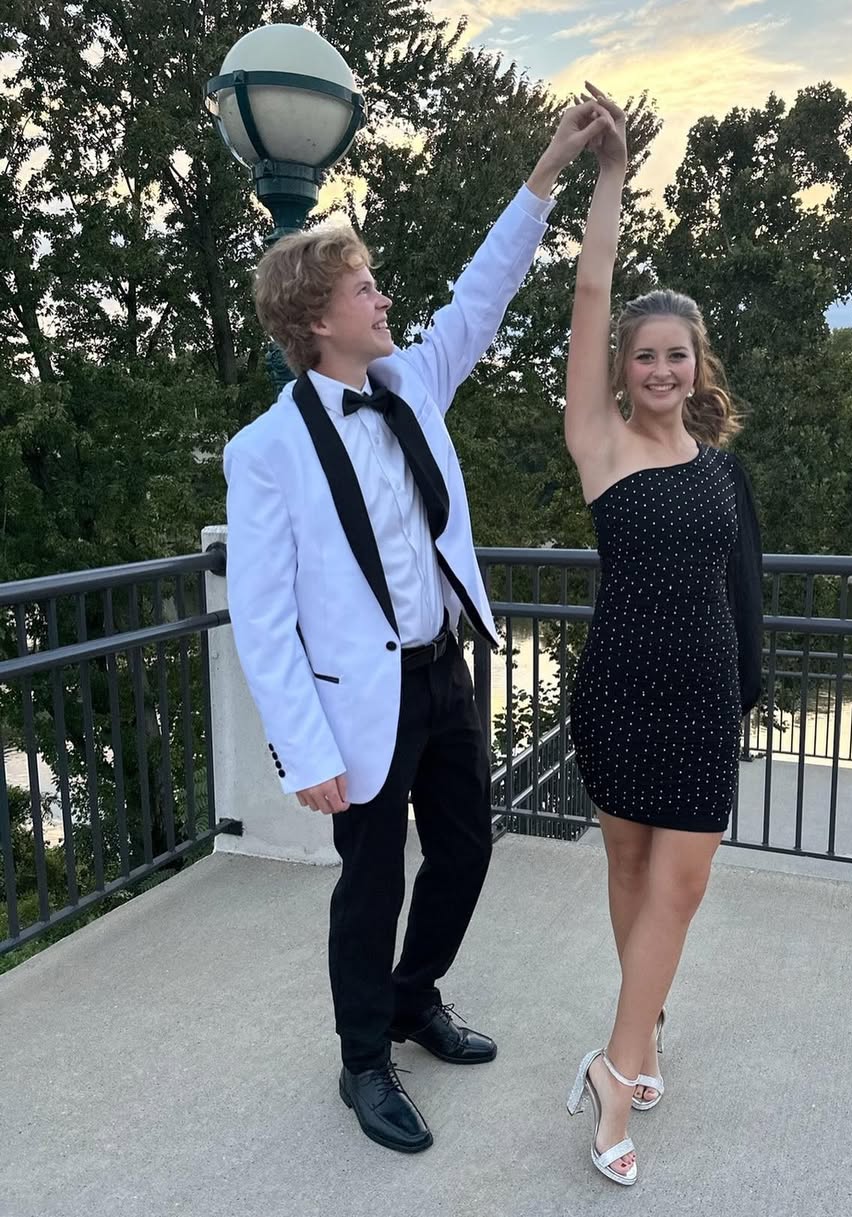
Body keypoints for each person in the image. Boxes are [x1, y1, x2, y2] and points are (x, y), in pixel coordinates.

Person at [223, 100, 611, 1156]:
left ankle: (412, 995)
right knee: (371, 882)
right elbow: (262, 617)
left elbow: (483, 293)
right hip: (361, 702)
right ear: (316, 319)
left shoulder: (411, 386)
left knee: (468, 848)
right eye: (364, 287)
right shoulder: (266, 451)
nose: (382, 296)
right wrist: (303, 749)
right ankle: (363, 1061)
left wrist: (548, 169)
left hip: (443, 673)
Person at [562, 84, 764, 1185]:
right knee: (632, 872)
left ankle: (613, 1064)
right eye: (644, 356)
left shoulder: (723, 473)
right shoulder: (600, 446)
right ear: (624, 368)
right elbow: (593, 287)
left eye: (677, 355)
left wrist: (749, 697)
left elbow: (745, 598)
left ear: (698, 365)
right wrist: (610, 174)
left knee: (680, 887)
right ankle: (640, 1038)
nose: (660, 370)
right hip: (620, 693)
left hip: (702, 702)